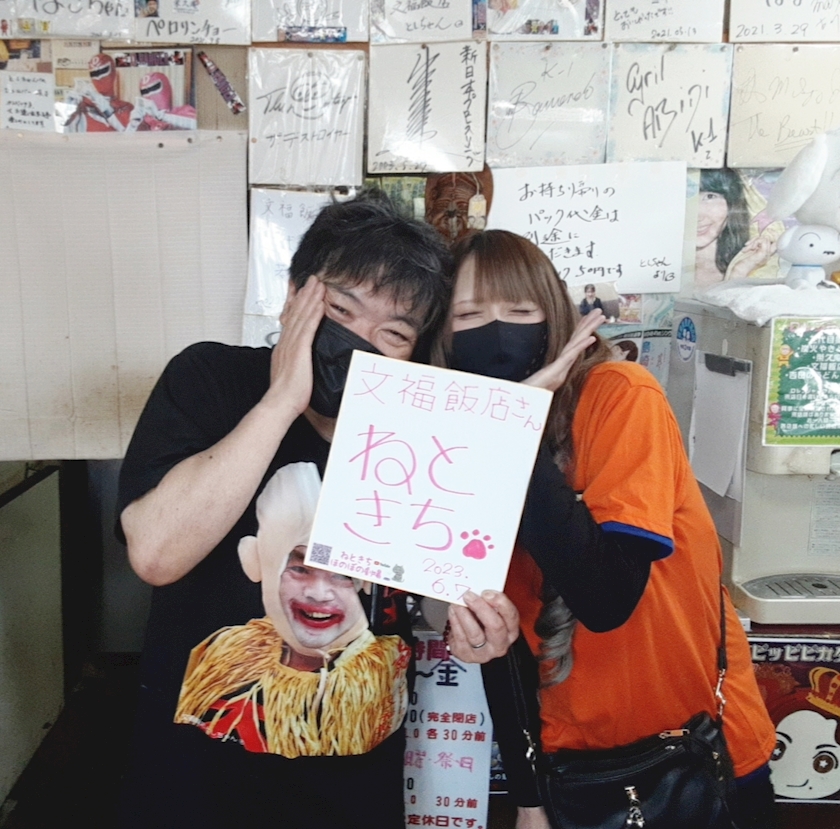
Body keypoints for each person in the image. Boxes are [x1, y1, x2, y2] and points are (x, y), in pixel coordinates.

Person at [116, 191, 452, 828]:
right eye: (340, 311)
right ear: (295, 295)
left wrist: (469, 617)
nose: (359, 345)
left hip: (353, 793)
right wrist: (281, 402)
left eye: (393, 334)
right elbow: (156, 555)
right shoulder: (208, 377)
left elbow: (423, 605)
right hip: (195, 790)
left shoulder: (414, 433)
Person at [437, 230, 777, 829]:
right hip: (574, 771)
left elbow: (606, 596)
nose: (496, 333)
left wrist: (510, 426)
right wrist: (529, 801)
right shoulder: (453, 443)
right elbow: (500, 643)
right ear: (442, 334)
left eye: (520, 311)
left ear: (555, 316)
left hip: (695, 754)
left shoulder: (623, 397)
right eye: (468, 316)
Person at [174, 462, 411, 759]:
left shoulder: (382, 666)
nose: (319, 593)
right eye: (299, 569)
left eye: (342, 574)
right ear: (255, 561)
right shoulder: (224, 656)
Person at [695, 169, 776, 288]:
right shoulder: (668, 268)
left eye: (710, 196)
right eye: (682, 197)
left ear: (732, 202)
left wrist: (740, 271)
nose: (697, 217)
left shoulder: (762, 265)